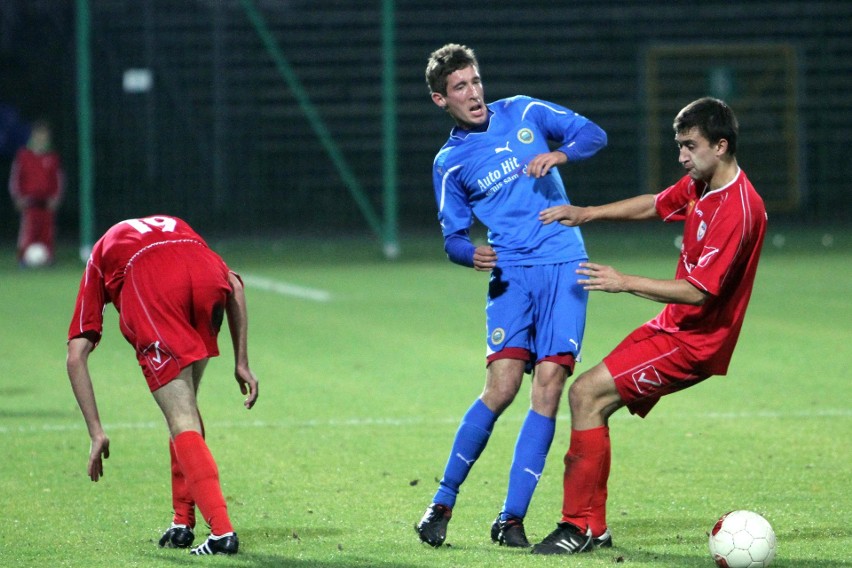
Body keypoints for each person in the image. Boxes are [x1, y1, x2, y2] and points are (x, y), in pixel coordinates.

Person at [530, 97, 767, 555]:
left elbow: (699, 291)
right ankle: (590, 528)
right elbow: (656, 205)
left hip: (695, 341)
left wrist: (623, 282)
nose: (681, 155)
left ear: (720, 146)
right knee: (591, 401)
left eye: (689, 145)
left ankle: (577, 527)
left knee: (586, 394)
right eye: (679, 144)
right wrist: (588, 212)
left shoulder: (739, 209)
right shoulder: (703, 184)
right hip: (673, 328)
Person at [415, 43, 607, 548]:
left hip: (565, 264)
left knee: (548, 386)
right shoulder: (450, 163)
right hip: (512, 275)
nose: (474, 93)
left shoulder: (524, 110)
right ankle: (441, 502)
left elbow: (594, 133)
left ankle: (511, 519)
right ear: (442, 100)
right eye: (460, 87)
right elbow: (453, 235)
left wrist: (561, 153)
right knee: (500, 388)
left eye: (475, 81)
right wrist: (467, 253)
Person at [66, 214, 259, 556]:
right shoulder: (175, 224)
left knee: (181, 416)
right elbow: (236, 286)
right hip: (205, 273)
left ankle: (222, 532)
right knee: (186, 409)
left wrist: (96, 432)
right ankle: (182, 521)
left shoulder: (100, 254)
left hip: (154, 282)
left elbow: (76, 355)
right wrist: (240, 362)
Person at [8, 119, 64, 265]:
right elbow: (16, 178)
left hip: (47, 203)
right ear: (32, 136)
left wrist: (56, 198)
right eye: (38, 135)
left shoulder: (52, 157)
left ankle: (48, 259)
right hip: (29, 202)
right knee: (28, 232)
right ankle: (23, 260)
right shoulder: (23, 156)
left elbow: (58, 180)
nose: (41, 138)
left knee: (48, 233)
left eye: (44, 135)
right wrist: (18, 198)